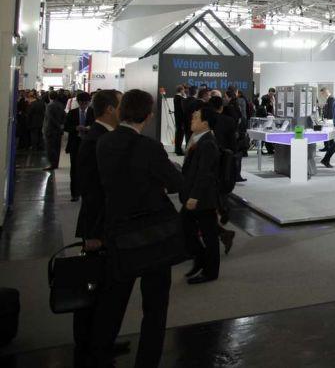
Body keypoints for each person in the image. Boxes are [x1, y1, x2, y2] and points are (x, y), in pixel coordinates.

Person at [91, 89, 183, 368]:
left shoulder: (103, 143)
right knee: (155, 307)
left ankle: (99, 353)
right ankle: (147, 361)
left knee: (113, 301)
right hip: (152, 235)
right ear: (149, 115)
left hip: (118, 231)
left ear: (121, 112)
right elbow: (175, 182)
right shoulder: (149, 147)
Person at [71, 89, 123, 365]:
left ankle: (101, 341)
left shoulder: (102, 136)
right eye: (121, 104)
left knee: (106, 289)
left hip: (105, 224)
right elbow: (91, 190)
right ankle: (91, 347)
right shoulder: (97, 140)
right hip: (99, 227)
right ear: (110, 109)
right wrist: (92, 234)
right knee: (96, 288)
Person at [179, 106, 222, 285]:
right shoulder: (198, 139)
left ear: (205, 123)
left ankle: (210, 271)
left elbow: (205, 173)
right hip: (194, 194)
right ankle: (200, 258)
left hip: (203, 198)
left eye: (196, 117)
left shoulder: (207, 143)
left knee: (209, 234)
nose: (192, 119)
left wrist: (195, 196)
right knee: (185, 227)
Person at [65, 91, 93, 201]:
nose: (83, 105)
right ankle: (75, 193)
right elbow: (66, 127)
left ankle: (87, 191)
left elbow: (97, 126)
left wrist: (89, 128)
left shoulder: (93, 112)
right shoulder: (72, 113)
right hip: (75, 144)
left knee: (88, 168)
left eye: (86, 103)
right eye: (81, 103)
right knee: (75, 169)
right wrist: (75, 128)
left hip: (89, 144)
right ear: (78, 102)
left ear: (89, 102)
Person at [43, 90, 68, 171]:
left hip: (50, 130)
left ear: (49, 97)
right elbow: (64, 116)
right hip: (58, 131)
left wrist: (57, 125)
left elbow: (50, 119)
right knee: (57, 148)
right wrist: (61, 126)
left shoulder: (49, 106)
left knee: (50, 148)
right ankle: (56, 163)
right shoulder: (60, 105)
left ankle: (52, 164)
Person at [172, 84, 187, 156]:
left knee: (178, 134)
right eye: (184, 90)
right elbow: (183, 109)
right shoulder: (180, 98)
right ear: (181, 90)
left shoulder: (176, 97)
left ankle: (177, 149)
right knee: (180, 135)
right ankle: (178, 150)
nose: (184, 91)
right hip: (181, 119)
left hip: (178, 119)